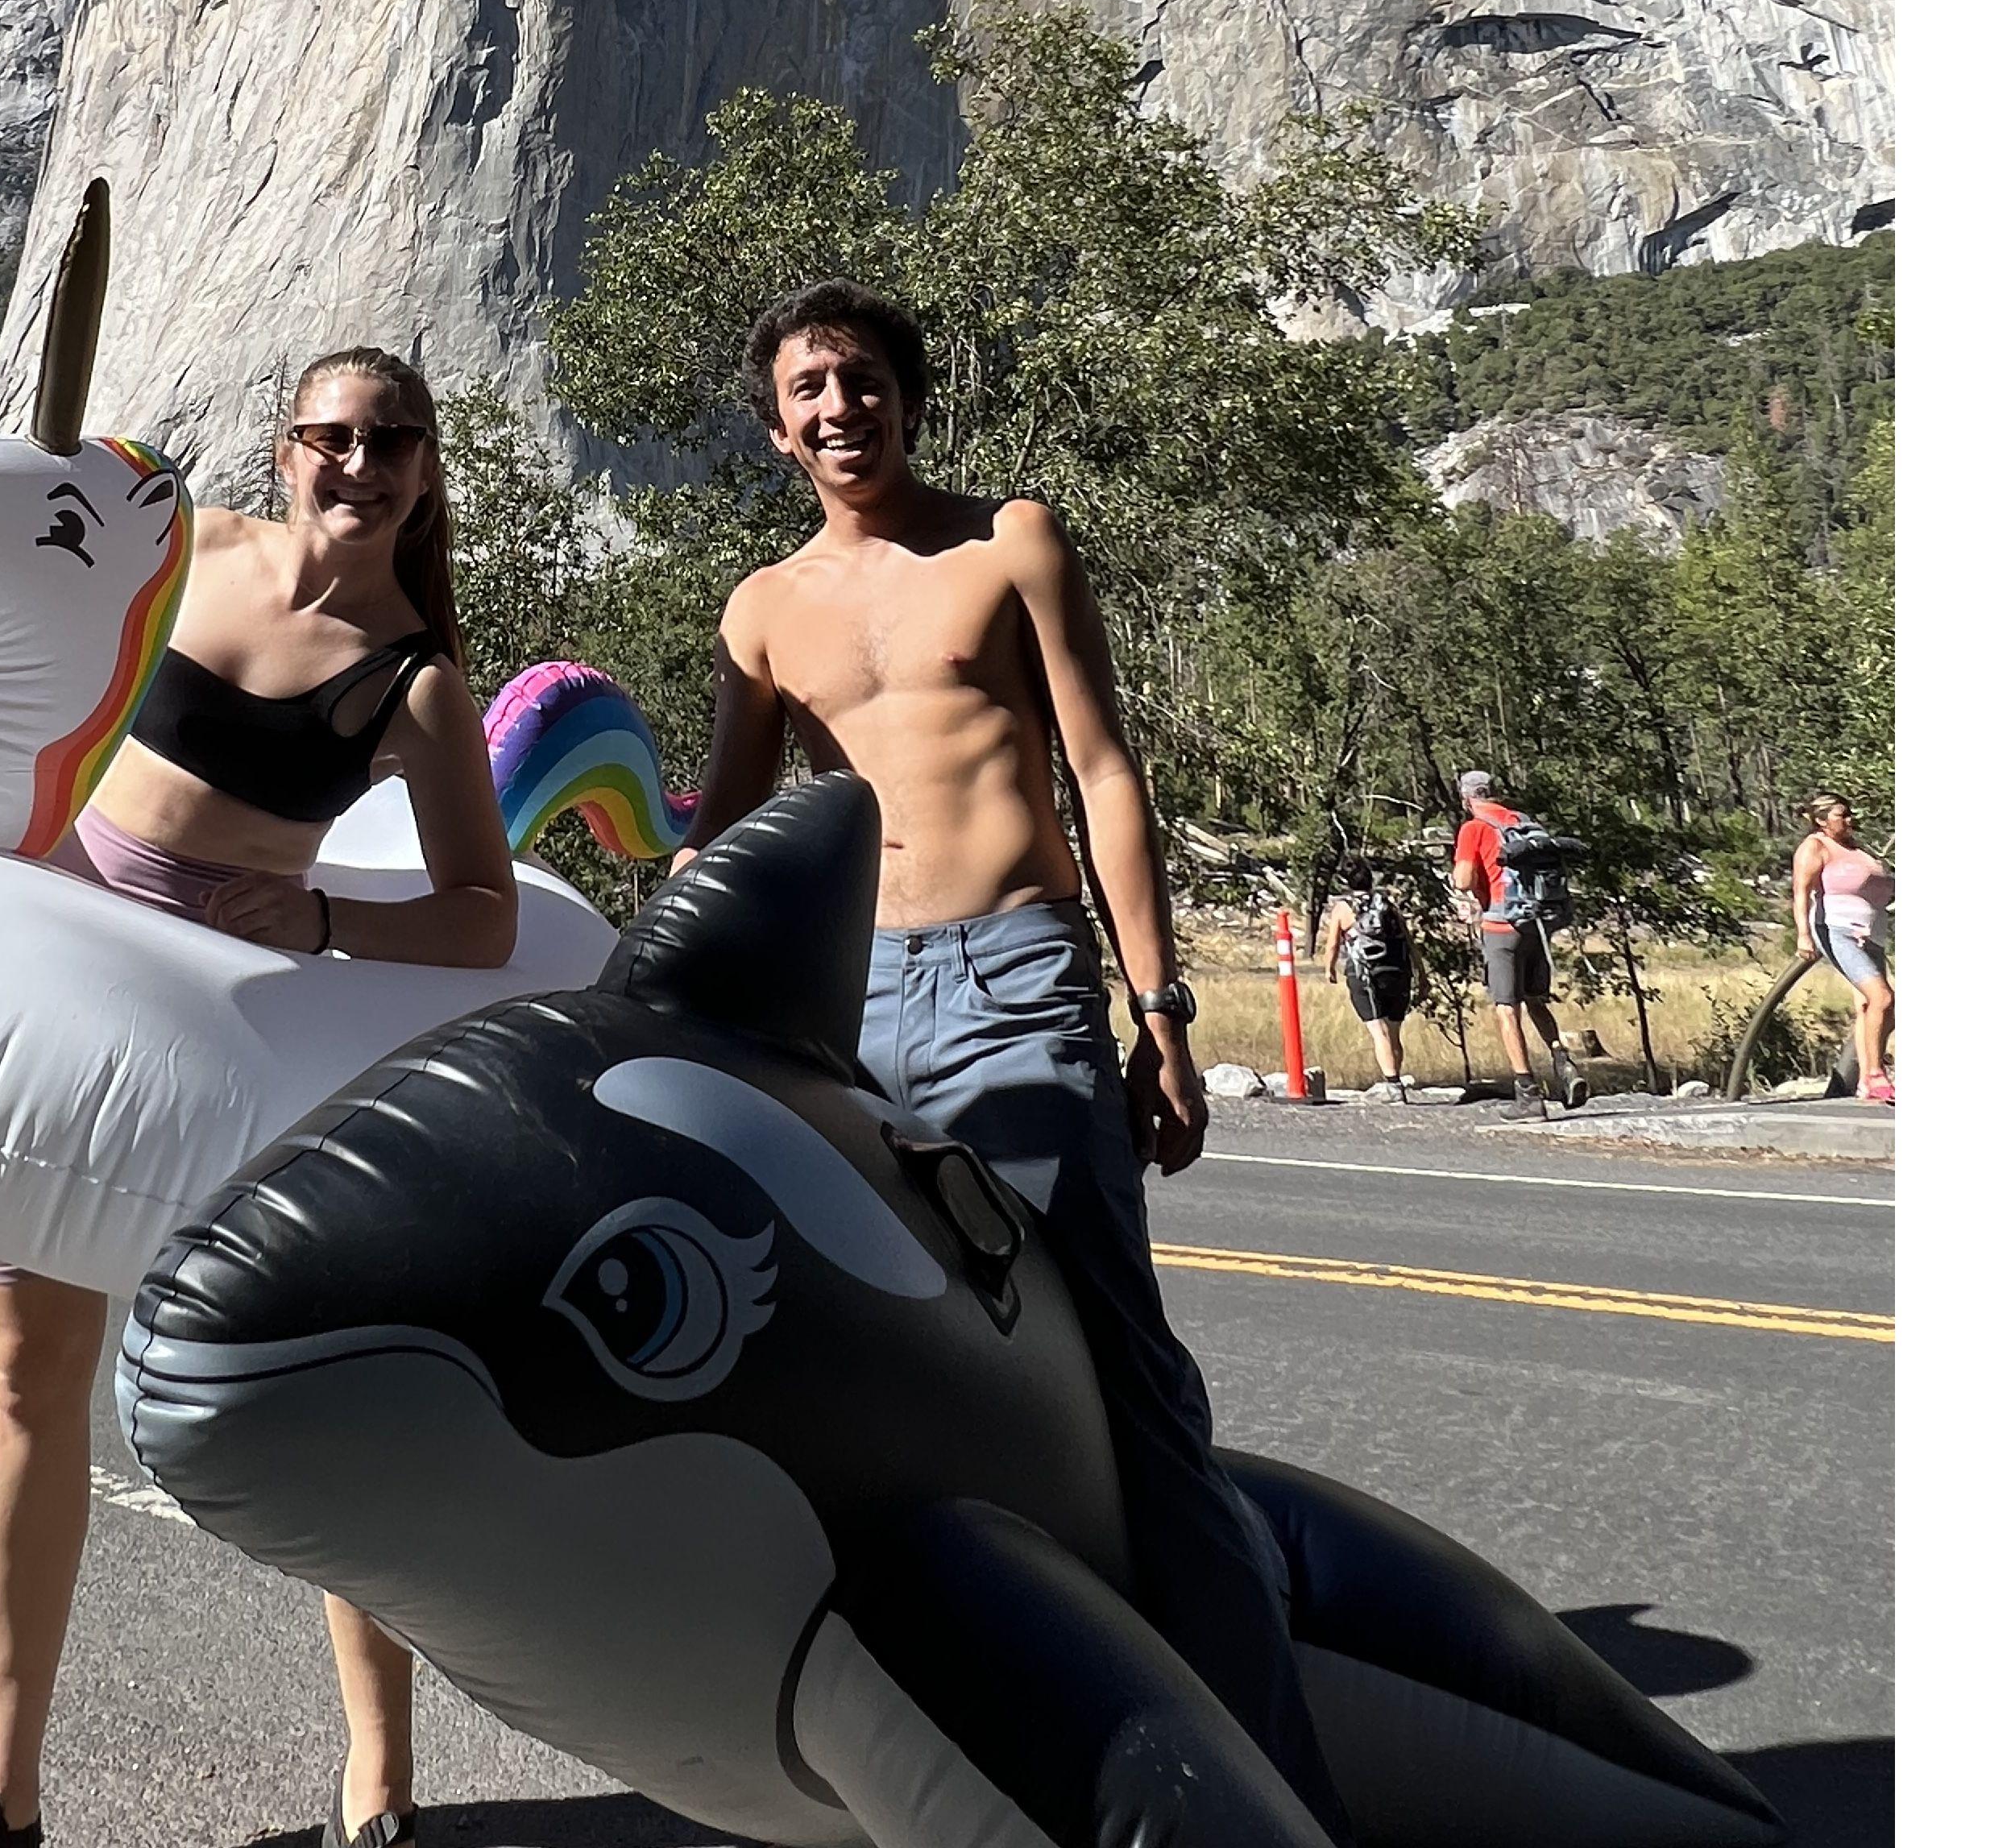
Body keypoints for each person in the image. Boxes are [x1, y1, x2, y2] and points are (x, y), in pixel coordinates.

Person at [678, 280, 1353, 1843]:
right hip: (847, 1023)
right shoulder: (762, 611)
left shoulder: (1010, 543)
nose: (837, 405)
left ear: (907, 395)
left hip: (1013, 987)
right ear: (775, 430)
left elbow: (1103, 771)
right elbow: (726, 836)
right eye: (806, 389)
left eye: (859, 377)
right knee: (897, 1392)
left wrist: (1162, 1009)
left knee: (1123, 1383)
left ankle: (1284, 1799)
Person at [0, 347, 516, 1848]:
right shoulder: (190, 545)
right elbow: (33, 640)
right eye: (337, 433)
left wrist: (327, 923)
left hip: (226, 1034)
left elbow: (481, 911)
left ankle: (379, 1784)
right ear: (286, 447)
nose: (365, 459)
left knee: (314, 1398)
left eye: (396, 437)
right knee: (27, 1379)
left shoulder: (419, 680)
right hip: (67, 972)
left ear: (424, 465)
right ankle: (2, 1794)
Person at [1449, 769, 1585, 1118]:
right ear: (1494, 793)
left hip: (1501, 927)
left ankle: (1528, 1095)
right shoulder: (1522, 822)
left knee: (1507, 1009)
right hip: (1537, 924)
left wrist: (1463, 878)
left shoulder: (1473, 828)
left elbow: (1464, 880)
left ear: (1467, 798)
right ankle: (1563, 1062)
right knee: (1537, 1001)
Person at [1793, 793, 1895, 1103]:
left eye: (1850, 814)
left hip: (1872, 933)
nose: (1850, 820)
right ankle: (1877, 1074)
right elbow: (1801, 892)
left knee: (1871, 1006)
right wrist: (1803, 935)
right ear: (1821, 820)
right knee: (1883, 998)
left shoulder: (1858, 847)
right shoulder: (1815, 847)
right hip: (1837, 930)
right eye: (1842, 815)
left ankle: (1867, 1080)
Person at [1314, 861, 1413, 1096]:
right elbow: (1407, 938)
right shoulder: (1386, 903)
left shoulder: (1343, 908)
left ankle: (1393, 1085)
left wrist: (1329, 969)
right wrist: (1418, 972)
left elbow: (1333, 944)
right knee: (1394, 1032)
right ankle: (1396, 1078)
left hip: (1365, 974)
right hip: (1398, 972)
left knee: (1379, 1032)